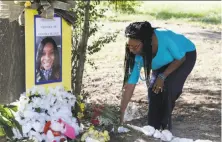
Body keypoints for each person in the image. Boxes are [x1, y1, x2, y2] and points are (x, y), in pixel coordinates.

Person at [120, 21, 196, 130]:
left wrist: (162, 76)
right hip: (162, 62)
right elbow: (129, 86)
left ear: (146, 42)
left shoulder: (164, 38)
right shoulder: (136, 55)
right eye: (129, 46)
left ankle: (164, 127)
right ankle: (152, 128)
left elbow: (181, 58)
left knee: (168, 87)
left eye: (135, 47)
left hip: (184, 55)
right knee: (153, 89)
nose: (131, 50)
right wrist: (121, 114)